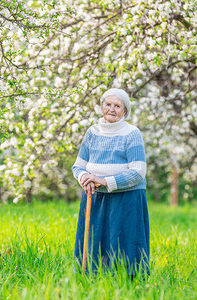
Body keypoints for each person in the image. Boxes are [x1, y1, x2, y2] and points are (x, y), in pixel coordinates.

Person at [72, 88, 150, 277]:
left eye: (117, 106)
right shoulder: (92, 133)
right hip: (95, 197)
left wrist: (103, 180)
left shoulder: (132, 133)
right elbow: (77, 166)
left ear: (124, 111)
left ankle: (128, 282)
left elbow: (138, 172)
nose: (112, 109)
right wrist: (85, 179)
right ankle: (91, 279)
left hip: (126, 198)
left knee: (123, 243)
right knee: (94, 243)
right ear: (102, 107)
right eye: (108, 104)